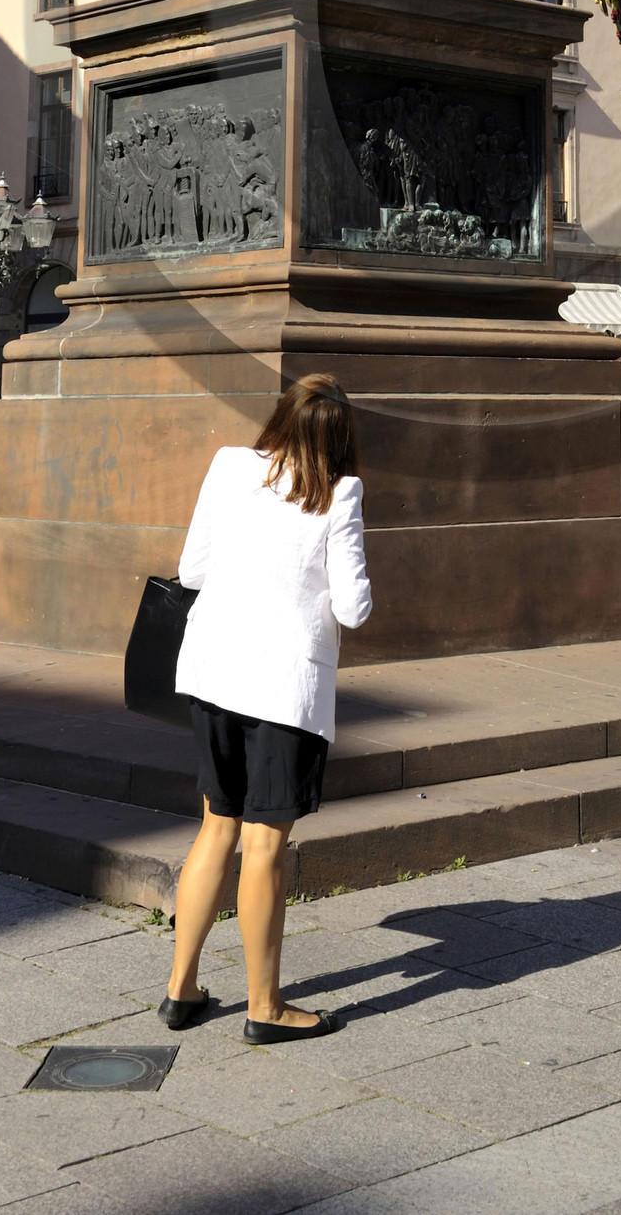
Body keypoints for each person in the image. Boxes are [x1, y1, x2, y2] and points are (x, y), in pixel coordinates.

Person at [162, 373, 372, 1041]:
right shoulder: (340, 493)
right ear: (341, 438)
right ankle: (265, 1006)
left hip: (213, 669)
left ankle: (181, 989)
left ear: (281, 417)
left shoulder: (228, 465)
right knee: (264, 844)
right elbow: (353, 608)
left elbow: (192, 570)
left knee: (215, 827)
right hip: (283, 688)